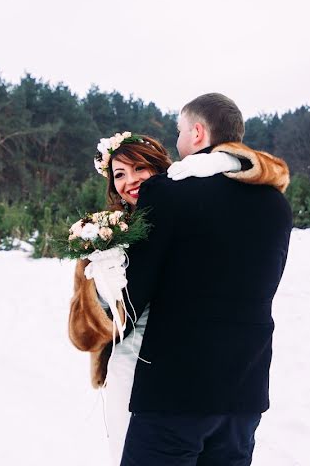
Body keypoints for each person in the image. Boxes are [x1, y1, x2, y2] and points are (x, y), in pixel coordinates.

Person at [68, 122, 290, 465]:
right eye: (119, 174)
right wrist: (96, 278)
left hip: (166, 372)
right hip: (130, 363)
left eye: (141, 168)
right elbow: (92, 326)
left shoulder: (180, 208)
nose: (131, 181)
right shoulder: (106, 231)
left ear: (160, 169)